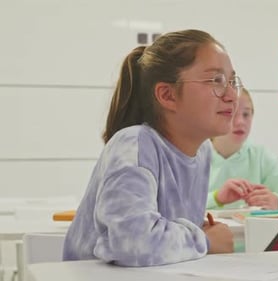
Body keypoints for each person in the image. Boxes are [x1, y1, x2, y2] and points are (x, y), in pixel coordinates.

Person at [63, 29, 243, 266]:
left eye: (232, 81)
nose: (231, 95)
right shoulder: (134, 144)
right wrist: (204, 241)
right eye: (216, 81)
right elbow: (132, 242)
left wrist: (198, 235)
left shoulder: (202, 151)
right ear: (167, 95)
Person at [206, 88, 278, 211]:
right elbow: (181, 207)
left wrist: (277, 202)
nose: (240, 122)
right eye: (232, 113)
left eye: (246, 114)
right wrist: (216, 198)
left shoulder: (259, 156)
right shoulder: (196, 155)